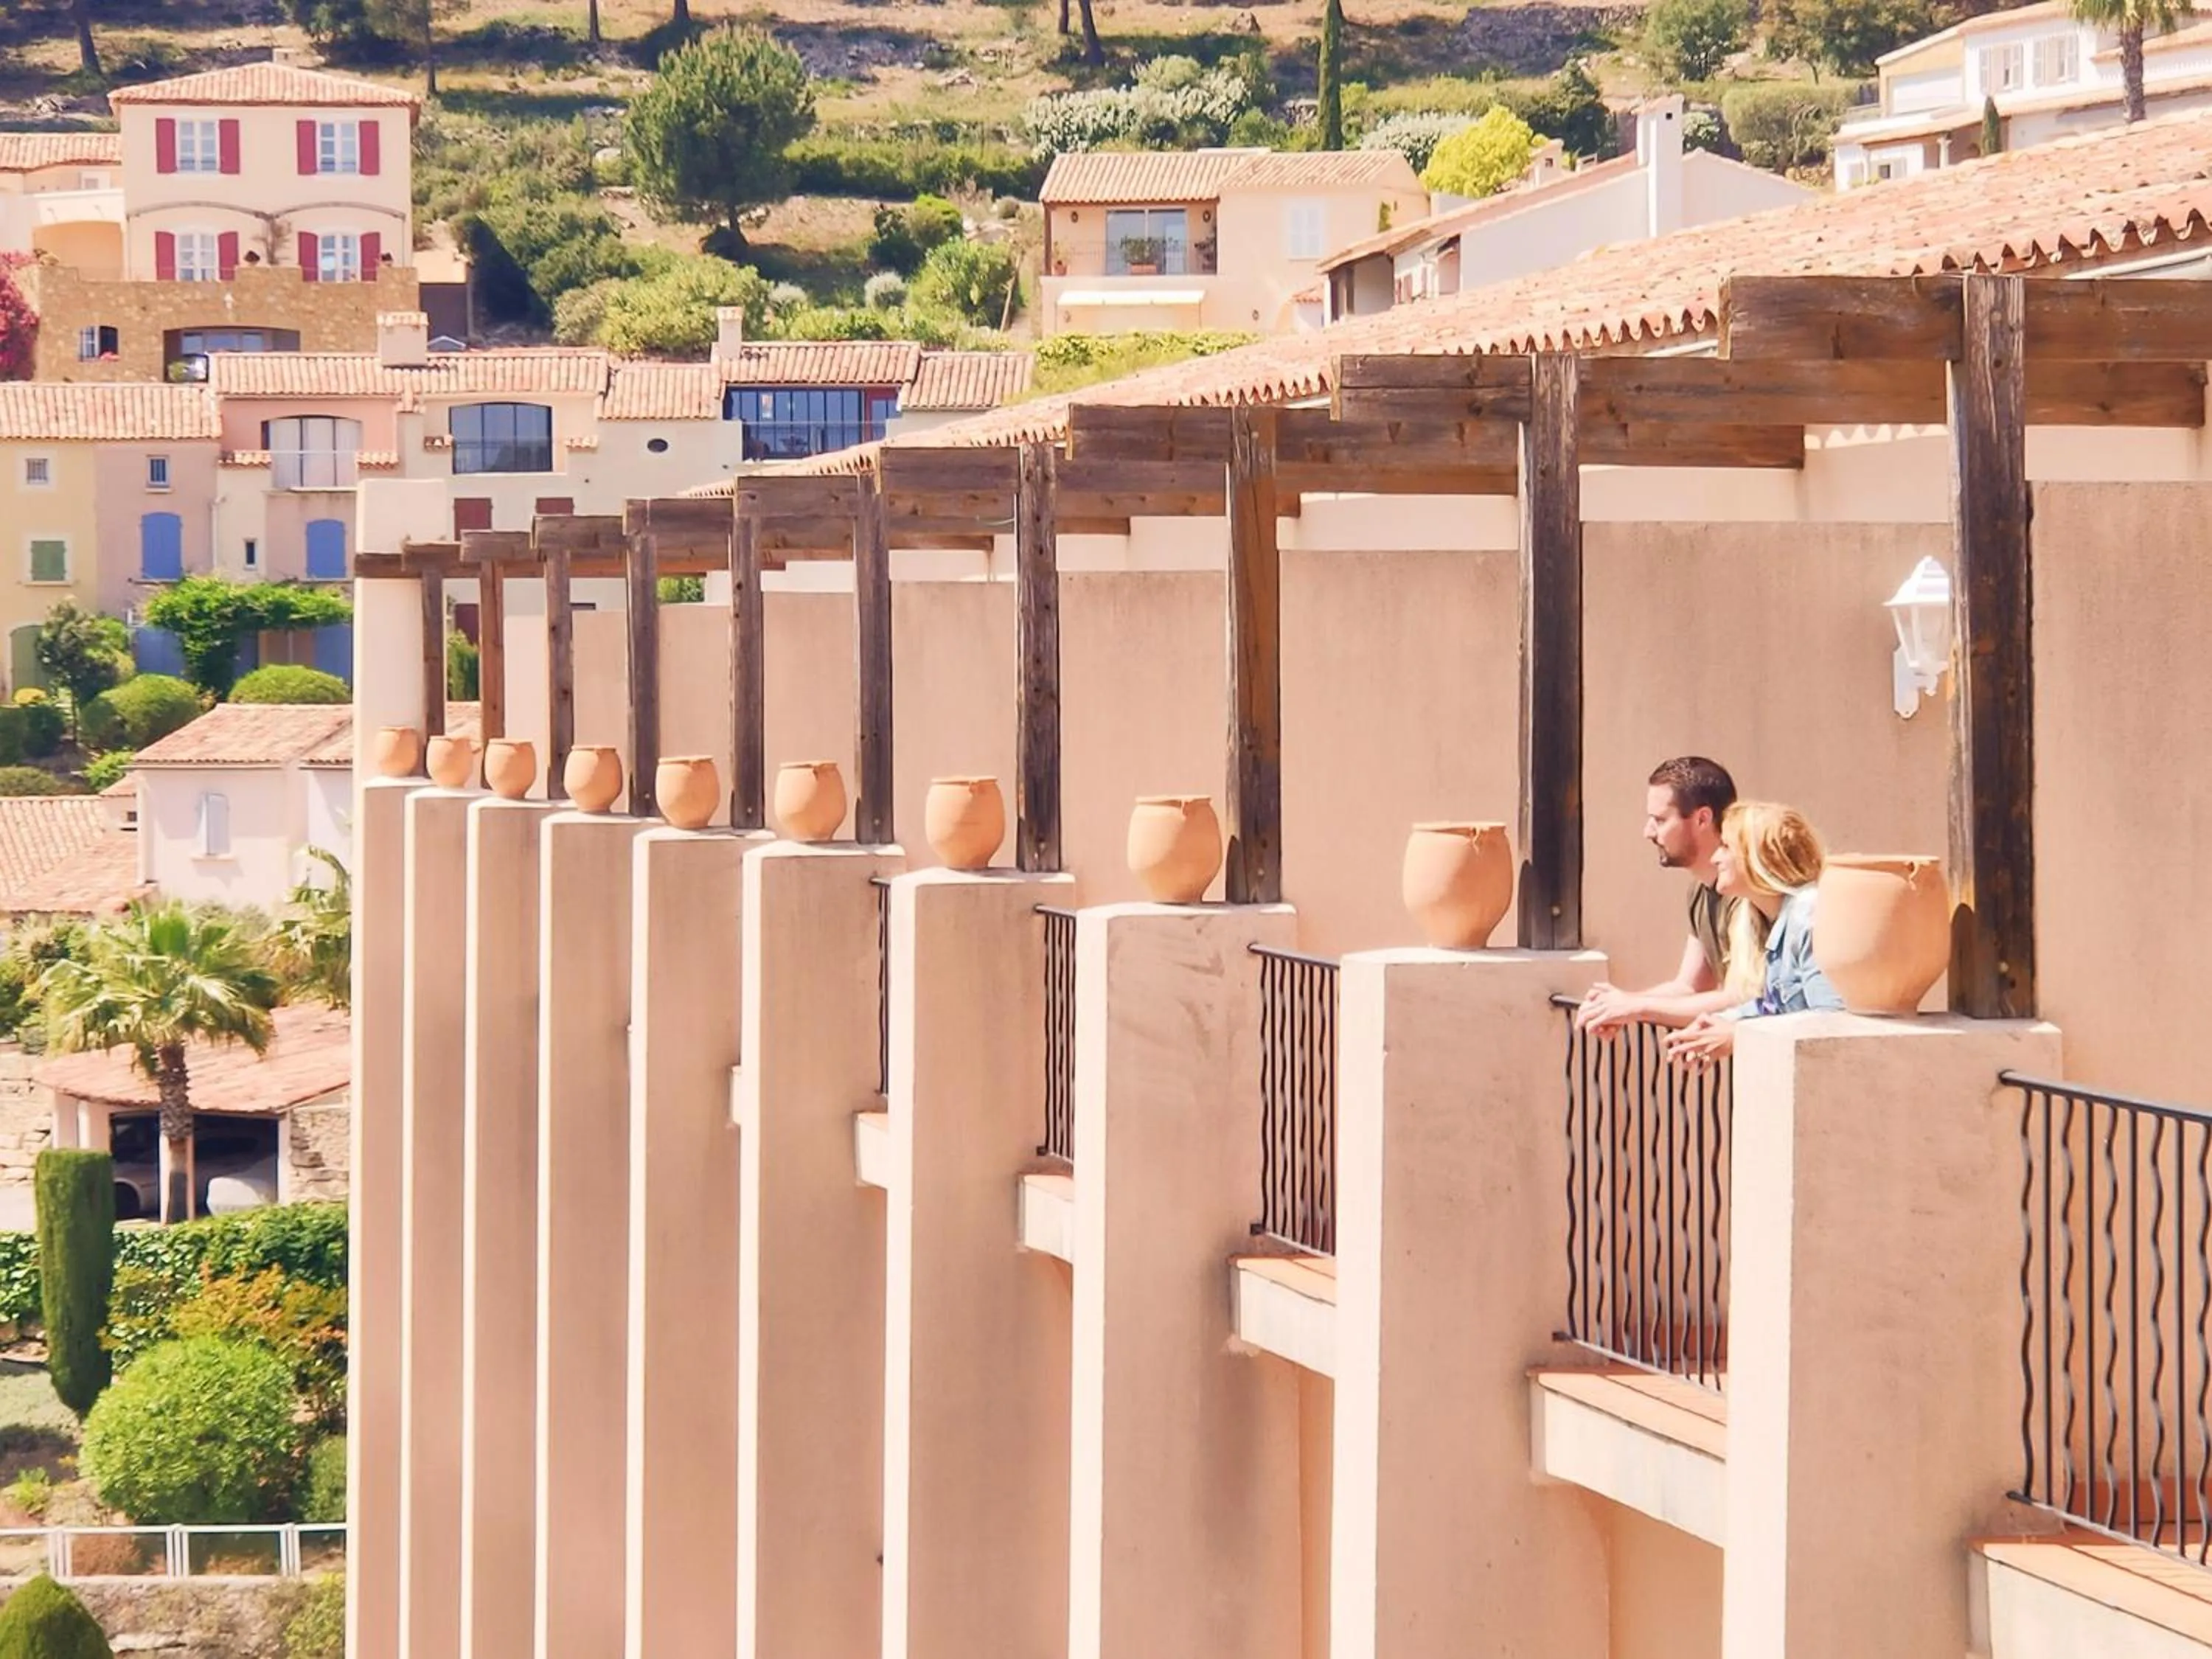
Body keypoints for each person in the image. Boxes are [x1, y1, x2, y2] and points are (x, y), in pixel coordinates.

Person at [1576, 756, 1752, 1033]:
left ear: (1703, 819)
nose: (1648, 832)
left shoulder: (1746, 891)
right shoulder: (1699, 890)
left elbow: (1744, 997)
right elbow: (1689, 987)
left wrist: (1635, 1007)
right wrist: (1619, 1006)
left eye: (1659, 820)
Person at [1664, 801, 1843, 1068]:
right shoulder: (1771, 921)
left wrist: (1738, 1035)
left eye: (1726, 847)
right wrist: (1721, 1022)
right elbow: (1773, 1008)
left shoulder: (1809, 914)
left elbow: (1831, 1020)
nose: (1715, 858)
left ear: (1758, 856)